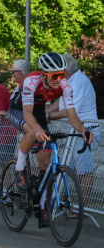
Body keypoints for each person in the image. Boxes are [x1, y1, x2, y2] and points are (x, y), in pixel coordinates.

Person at [8, 51, 93, 224]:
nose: (58, 79)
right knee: (33, 132)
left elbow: (71, 115)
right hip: (20, 110)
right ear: (44, 74)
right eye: (55, 75)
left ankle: (42, 203)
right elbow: (27, 112)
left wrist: (83, 129)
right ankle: (18, 169)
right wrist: (39, 129)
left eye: (61, 74)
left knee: (46, 164)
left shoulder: (65, 86)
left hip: (38, 112)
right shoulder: (31, 81)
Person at [47, 54, 100, 208]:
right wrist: (45, 113)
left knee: (84, 171)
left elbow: (70, 112)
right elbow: (61, 103)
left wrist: (48, 115)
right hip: (75, 132)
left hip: (84, 132)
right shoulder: (70, 81)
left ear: (64, 68)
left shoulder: (78, 81)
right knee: (74, 170)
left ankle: (81, 207)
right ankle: (73, 206)